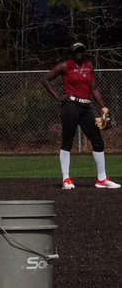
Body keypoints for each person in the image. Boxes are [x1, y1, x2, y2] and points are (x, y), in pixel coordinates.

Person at [41, 41, 120, 191]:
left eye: (81, 51)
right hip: (71, 105)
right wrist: (57, 96)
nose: (79, 53)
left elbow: (94, 88)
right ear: (71, 53)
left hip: (85, 106)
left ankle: (102, 179)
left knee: (97, 141)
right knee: (67, 140)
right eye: (76, 51)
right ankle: (66, 179)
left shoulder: (89, 65)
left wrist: (103, 106)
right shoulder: (66, 65)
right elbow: (45, 79)